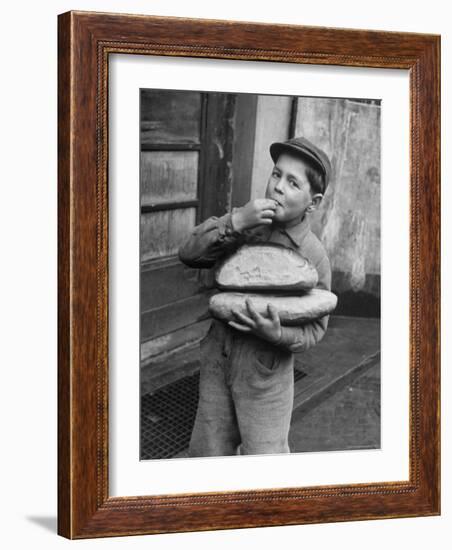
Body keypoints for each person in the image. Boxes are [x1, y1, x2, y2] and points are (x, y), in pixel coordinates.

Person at [179, 136, 332, 457]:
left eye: (293, 183)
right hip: (217, 360)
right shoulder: (243, 226)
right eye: (276, 174)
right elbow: (189, 253)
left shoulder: (314, 256)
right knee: (209, 449)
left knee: (265, 457)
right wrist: (234, 221)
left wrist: (279, 333)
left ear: (313, 202)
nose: (278, 186)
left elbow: (316, 328)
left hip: (267, 372)